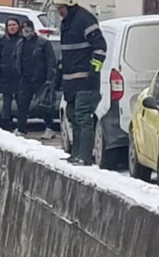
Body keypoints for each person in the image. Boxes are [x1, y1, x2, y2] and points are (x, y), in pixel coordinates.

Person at [54, 0, 107, 166]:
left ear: (69, 5)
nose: (59, 12)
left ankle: (84, 156)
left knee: (83, 116)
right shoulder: (67, 23)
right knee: (72, 115)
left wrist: (94, 70)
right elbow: (68, 54)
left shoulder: (85, 19)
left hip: (85, 81)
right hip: (71, 81)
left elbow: (100, 47)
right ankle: (76, 153)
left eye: (61, 8)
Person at [14, 20, 57, 138]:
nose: (25, 32)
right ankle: (21, 128)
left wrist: (49, 78)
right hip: (25, 78)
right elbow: (16, 59)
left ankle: (50, 127)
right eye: (23, 30)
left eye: (28, 29)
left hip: (41, 79)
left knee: (43, 105)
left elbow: (51, 61)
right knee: (22, 104)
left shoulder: (43, 43)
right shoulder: (20, 44)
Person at [0, 17, 22, 130]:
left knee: (21, 101)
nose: (12, 27)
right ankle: (6, 124)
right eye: (9, 25)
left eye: (14, 25)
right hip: (6, 75)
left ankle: (21, 124)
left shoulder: (22, 40)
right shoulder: (2, 41)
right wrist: (0, 66)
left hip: (19, 76)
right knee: (7, 102)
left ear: (18, 26)